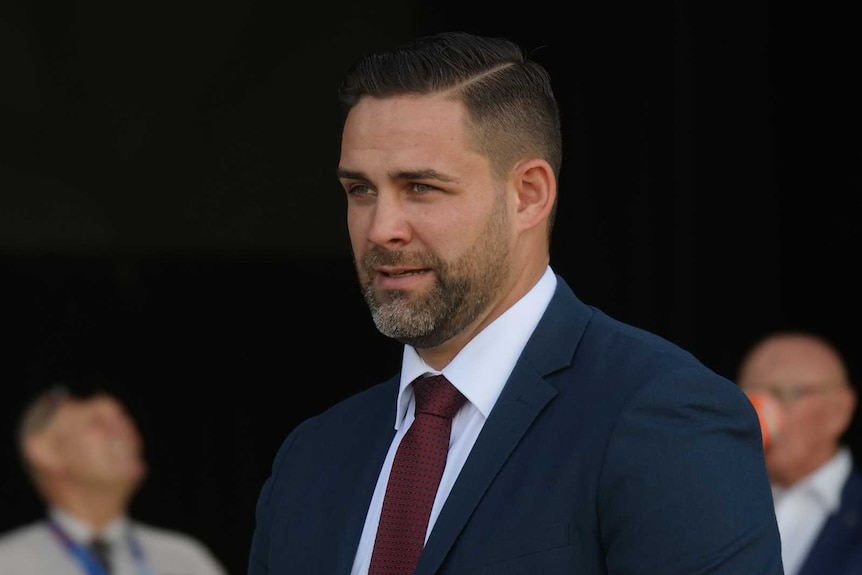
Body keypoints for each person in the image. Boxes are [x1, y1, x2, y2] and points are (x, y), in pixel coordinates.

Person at [247, 31, 783, 574]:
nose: (382, 228)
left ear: (529, 194)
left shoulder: (661, 417)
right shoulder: (312, 456)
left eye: (420, 187)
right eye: (361, 190)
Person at [0, 385, 229, 575]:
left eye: (124, 418)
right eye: (98, 422)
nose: (127, 430)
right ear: (46, 450)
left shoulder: (185, 561)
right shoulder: (10, 563)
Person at [737, 331, 862, 575]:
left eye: (786, 394)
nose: (761, 413)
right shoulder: (718, 506)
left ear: (840, 409)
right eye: (749, 398)